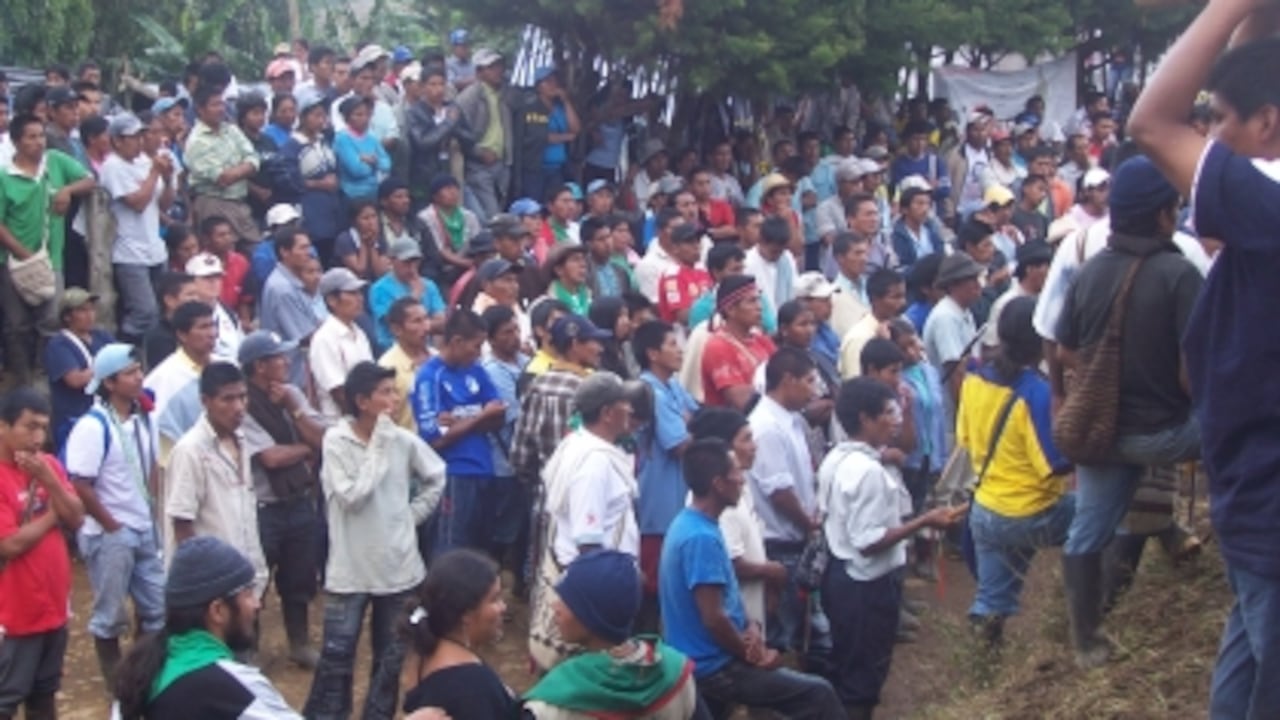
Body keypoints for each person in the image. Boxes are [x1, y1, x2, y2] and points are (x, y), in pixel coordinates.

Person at [1127, 9, 1280, 713]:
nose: (1210, 135)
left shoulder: (1266, 210)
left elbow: (1152, 123)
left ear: (1268, 125)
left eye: (1218, 120)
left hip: (1267, 503)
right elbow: (1255, 77)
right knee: (1246, 667)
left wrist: (1226, 4)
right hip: (1258, 494)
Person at [1054, 156, 1204, 669]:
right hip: (1162, 433)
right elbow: (1192, 375)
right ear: (1165, 215)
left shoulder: (1090, 271)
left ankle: (1086, 641)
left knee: (1088, 532)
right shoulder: (1179, 275)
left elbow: (1066, 349)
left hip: (1099, 432)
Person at [660, 438, 843, 719]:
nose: (743, 481)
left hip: (714, 655)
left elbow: (727, 597)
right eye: (737, 473)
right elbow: (713, 617)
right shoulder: (700, 538)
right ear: (719, 484)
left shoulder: (696, 524)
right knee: (819, 694)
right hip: (713, 666)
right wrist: (752, 655)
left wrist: (752, 625)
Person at [305, 361, 446, 720]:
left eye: (394, 391)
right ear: (362, 401)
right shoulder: (338, 441)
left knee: (389, 660)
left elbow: (436, 475)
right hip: (350, 567)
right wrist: (380, 445)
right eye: (385, 392)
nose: (394, 399)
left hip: (397, 566)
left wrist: (408, 518)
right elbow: (352, 496)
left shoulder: (401, 440)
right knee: (337, 659)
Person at [819, 378, 959, 719]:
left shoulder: (836, 457)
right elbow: (868, 542)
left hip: (840, 574)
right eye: (887, 412)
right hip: (865, 585)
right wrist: (924, 521)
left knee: (848, 666)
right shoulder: (868, 472)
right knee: (863, 679)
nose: (896, 419)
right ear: (865, 419)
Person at [956, 297, 1073, 646]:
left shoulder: (975, 375)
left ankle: (982, 669)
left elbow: (964, 435)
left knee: (991, 602)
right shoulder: (1036, 393)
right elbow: (1055, 465)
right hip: (1030, 512)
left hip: (985, 511)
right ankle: (1083, 614)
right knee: (1103, 517)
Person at [111, 536, 301, 719]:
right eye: (248, 594)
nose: (257, 604)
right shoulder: (233, 687)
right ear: (218, 611)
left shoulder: (138, 674)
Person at [65, 345, 163, 691]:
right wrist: (111, 525)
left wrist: (151, 511)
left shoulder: (145, 416)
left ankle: (143, 675)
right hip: (112, 533)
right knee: (110, 615)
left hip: (142, 525)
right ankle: (116, 686)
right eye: (130, 372)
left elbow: (152, 465)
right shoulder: (93, 426)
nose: (139, 377)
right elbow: (81, 482)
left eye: (139, 370)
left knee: (157, 607)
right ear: (109, 383)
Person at [530, 371, 640, 671]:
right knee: (585, 677)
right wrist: (594, 607)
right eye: (624, 404)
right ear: (607, 413)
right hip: (591, 589)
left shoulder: (581, 444)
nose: (630, 409)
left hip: (585, 582)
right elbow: (588, 542)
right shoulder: (594, 462)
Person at [238, 332, 329, 669]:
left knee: (300, 576)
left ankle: (299, 642)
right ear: (260, 366)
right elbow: (271, 458)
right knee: (256, 580)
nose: (286, 362)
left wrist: (294, 411)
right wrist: (307, 449)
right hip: (263, 505)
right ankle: (251, 648)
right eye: (278, 358)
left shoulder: (289, 394)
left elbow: (324, 437)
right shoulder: (243, 403)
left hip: (298, 499)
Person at [523, 550, 699, 720]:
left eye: (567, 601)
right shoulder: (677, 674)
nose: (555, 606)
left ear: (591, 617)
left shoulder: (554, 701)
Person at [0, 389, 85, 719]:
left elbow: (77, 517)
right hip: (14, 613)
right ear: (3, 426)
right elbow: (10, 544)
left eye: (43, 428)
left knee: (45, 695)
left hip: (52, 608)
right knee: (6, 699)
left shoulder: (48, 465)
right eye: (29, 427)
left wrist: (49, 479)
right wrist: (53, 515)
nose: (37, 437)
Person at [0, 113, 95, 387]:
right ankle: (21, 378)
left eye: (41, 135)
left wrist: (66, 189)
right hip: (12, 261)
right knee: (16, 325)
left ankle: (46, 376)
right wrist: (23, 254)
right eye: (31, 137)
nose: (38, 142)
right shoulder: (5, 177)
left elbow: (89, 179)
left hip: (51, 259)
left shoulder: (55, 161)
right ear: (17, 142)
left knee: (51, 321)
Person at [747, 348, 830, 660]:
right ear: (787, 380)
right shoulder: (767, 427)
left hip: (797, 537)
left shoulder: (792, 420)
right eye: (808, 381)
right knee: (781, 630)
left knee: (804, 622)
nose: (814, 388)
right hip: (779, 541)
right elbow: (779, 492)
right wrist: (808, 523)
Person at [165, 362, 269, 599]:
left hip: (243, 578)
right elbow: (182, 524)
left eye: (243, 397)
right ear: (205, 401)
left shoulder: (241, 441)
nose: (239, 407)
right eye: (228, 399)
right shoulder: (190, 450)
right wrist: (204, 580)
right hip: (211, 588)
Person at [413, 310, 507, 556]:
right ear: (456, 342)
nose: (479, 353)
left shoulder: (476, 370)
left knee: (481, 550)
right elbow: (434, 438)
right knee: (450, 550)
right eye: (476, 346)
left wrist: (459, 421)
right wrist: (480, 416)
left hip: (485, 468)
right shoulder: (429, 377)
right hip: (452, 474)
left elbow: (499, 416)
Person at [400, 549, 515, 718]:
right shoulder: (473, 686)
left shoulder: (423, 653)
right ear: (466, 615)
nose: (503, 607)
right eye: (494, 599)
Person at [633, 321, 699, 611]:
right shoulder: (651, 392)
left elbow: (698, 417)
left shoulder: (671, 385)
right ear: (652, 353)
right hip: (657, 500)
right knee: (654, 582)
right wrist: (689, 425)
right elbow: (679, 444)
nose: (680, 350)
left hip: (675, 495)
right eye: (672, 344)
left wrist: (690, 424)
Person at [101, 113, 176, 344]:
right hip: (129, 252)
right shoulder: (112, 166)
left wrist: (169, 177)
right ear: (117, 140)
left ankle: (150, 356)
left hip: (154, 247)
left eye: (139, 136)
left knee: (163, 310)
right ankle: (126, 351)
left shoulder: (145, 162)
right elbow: (137, 203)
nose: (138, 141)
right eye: (132, 137)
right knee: (144, 312)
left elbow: (163, 204)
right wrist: (155, 173)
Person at [480, 305, 530, 560]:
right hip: (505, 461)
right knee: (503, 529)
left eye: (516, 329)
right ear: (490, 339)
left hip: (524, 459)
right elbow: (516, 416)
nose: (514, 336)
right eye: (506, 332)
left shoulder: (524, 361)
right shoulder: (493, 370)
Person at [184, 86, 260, 245]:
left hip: (239, 202)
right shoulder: (197, 141)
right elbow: (223, 178)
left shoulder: (231, 130)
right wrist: (245, 168)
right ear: (200, 109)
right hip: (213, 203)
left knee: (252, 251)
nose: (221, 109)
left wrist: (239, 170)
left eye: (222, 104)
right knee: (222, 252)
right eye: (215, 105)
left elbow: (254, 159)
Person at [43, 288, 114, 452]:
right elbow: (75, 380)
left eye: (91, 309)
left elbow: (124, 359)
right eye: (82, 310)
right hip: (74, 419)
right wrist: (106, 365)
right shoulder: (59, 344)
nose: (90, 315)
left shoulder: (101, 336)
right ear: (67, 316)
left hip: (105, 415)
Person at [280, 90, 344, 265]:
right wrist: (319, 184)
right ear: (303, 117)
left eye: (323, 115)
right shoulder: (293, 146)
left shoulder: (323, 141)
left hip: (331, 208)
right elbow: (290, 181)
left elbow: (336, 167)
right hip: (310, 208)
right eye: (316, 115)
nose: (321, 120)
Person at [259, 227, 322, 387]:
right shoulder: (282, 288)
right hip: (293, 372)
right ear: (284, 252)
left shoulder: (291, 281)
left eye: (308, 246)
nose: (308, 252)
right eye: (302, 248)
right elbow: (305, 337)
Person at [701, 276, 776, 410]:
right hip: (734, 427)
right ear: (730, 310)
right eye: (752, 301)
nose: (759, 307)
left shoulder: (761, 339)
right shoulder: (718, 346)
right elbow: (742, 402)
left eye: (758, 300)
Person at [406, 64, 476, 208]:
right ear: (423, 87)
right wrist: (448, 124)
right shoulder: (415, 112)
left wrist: (454, 129)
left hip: (453, 167)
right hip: (426, 173)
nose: (438, 89)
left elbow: (470, 139)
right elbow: (423, 142)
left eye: (442, 84)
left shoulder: (452, 108)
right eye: (433, 84)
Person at [309, 268, 374, 420]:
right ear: (332, 300)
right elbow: (339, 393)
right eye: (352, 293)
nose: (360, 298)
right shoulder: (324, 338)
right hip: (341, 424)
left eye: (359, 293)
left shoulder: (359, 333)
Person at [456, 49, 513, 219]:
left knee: (500, 207)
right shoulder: (469, 97)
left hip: (502, 161)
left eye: (499, 66)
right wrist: (478, 152)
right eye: (491, 67)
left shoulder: (505, 93)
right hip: (480, 164)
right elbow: (459, 132)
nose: (498, 71)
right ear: (479, 72)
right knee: (492, 215)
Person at [922, 253, 984, 404]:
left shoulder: (964, 311)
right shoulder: (946, 317)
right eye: (970, 280)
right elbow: (955, 372)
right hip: (950, 411)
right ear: (953, 285)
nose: (978, 285)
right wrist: (966, 414)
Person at [143, 300, 217, 424]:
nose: (212, 333)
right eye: (203, 327)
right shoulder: (166, 377)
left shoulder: (226, 364)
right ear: (182, 335)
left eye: (212, 325)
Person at [369, 237, 447, 353]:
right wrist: (415, 296)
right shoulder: (379, 289)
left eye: (415, 261)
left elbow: (442, 323)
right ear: (392, 261)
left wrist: (418, 326)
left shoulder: (429, 285)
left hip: (425, 349)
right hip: (392, 349)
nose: (411, 266)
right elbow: (396, 323)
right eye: (406, 262)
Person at [981, 241, 1052, 356]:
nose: (1050, 273)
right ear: (1030, 269)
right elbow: (990, 347)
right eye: (1046, 267)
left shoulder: (1047, 301)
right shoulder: (1005, 303)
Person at [839, 269, 906, 379]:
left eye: (903, 296)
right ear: (875, 300)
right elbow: (857, 384)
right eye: (896, 297)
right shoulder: (860, 338)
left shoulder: (902, 323)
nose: (903, 302)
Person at [379, 297, 435, 430]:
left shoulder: (437, 357)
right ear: (397, 329)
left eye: (426, 319)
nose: (426, 327)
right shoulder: (387, 367)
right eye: (417, 321)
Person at [419, 175, 482, 284]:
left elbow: (478, 241)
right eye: (447, 189)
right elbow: (438, 250)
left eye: (455, 188)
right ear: (435, 196)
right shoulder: (426, 217)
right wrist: (467, 263)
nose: (453, 192)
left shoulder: (469, 216)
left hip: (466, 262)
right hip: (438, 266)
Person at [185, 250, 245, 360]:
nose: (214, 282)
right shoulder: (185, 317)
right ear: (191, 281)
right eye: (206, 278)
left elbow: (242, 348)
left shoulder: (228, 312)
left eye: (217, 277)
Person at [335, 96, 391, 202]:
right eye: (358, 115)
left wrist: (371, 160)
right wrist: (374, 166)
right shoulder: (342, 139)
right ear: (347, 117)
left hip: (374, 192)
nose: (364, 119)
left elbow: (386, 164)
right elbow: (357, 170)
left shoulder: (371, 137)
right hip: (352, 194)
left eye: (367, 114)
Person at [656, 224, 713, 327]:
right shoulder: (672, 276)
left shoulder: (702, 270)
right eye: (690, 242)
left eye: (697, 241)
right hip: (681, 336)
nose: (696, 246)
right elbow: (683, 316)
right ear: (675, 248)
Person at [890, 187, 946, 274]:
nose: (925, 209)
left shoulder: (932, 231)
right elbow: (901, 268)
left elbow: (942, 255)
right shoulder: (896, 235)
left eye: (928, 204)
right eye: (920, 204)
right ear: (905, 209)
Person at [634, 208, 685, 303]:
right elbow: (654, 303)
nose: (681, 233)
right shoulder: (648, 265)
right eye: (676, 229)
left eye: (683, 228)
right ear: (659, 231)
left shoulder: (690, 256)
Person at [828, 231, 872, 339]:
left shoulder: (872, 287)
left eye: (865, 253)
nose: (864, 259)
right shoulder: (833, 295)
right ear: (840, 258)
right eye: (857, 253)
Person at [582, 215, 631, 299]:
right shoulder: (584, 273)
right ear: (589, 244)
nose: (607, 243)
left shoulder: (621, 271)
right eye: (601, 239)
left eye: (608, 237)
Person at [588, 296, 634, 379]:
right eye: (620, 316)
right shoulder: (598, 354)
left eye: (627, 315)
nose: (627, 321)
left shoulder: (626, 347)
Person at [545, 243, 593, 316]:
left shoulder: (589, 296)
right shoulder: (551, 303)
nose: (583, 264)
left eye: (583, 259)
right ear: (559, 270)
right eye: (575, 260)